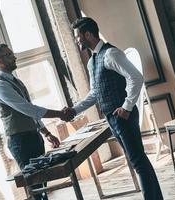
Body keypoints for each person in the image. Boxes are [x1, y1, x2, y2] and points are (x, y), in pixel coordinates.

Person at [63, 17, 163, 200]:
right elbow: (95, 93)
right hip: (112, 118)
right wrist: (75, 110)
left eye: (78, 36)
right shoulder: (92, 61)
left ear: (88, 34)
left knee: (138, 162)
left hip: (123, 116)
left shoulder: (111, 54)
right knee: (138, 161)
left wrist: (126, 107)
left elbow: (136, 77)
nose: (77, 40)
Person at [0, 44, 71, 200]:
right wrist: (60, 114)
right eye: (9, 55)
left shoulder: (15, 81)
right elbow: (28, 109)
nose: (14, 57)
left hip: (33, 137)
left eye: (12, 53)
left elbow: (30, 112)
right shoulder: (0, 85)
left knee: (42, 183)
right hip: (20, 142)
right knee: (34, 187)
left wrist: (46, 133)